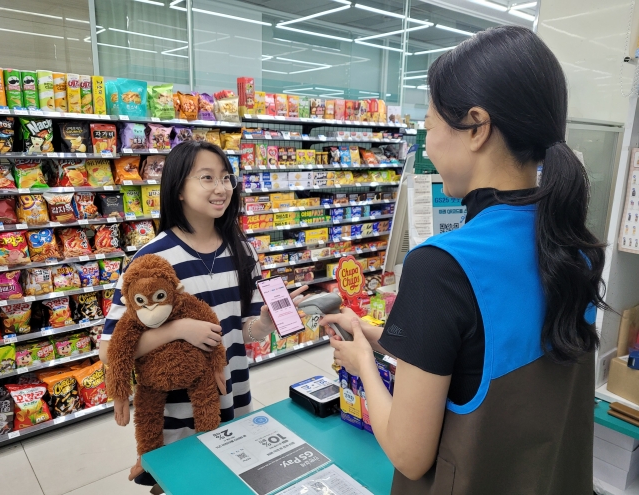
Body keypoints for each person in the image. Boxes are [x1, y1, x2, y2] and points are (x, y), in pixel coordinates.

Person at [321, 26, 608, 495]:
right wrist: (383, 340)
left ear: (476, 127)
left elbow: (410, 457)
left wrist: (362, 363)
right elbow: (482, 360)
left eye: (430, 126)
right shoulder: (574, 247)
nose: (428, 145)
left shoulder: (441, 266)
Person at [99, 141, 306, 486]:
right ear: (178, 188)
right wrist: (178, 330)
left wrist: (264, 325)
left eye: (226, 178)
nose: (221, 188)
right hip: (176, 413)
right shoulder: (154, 259)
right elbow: (110, 349)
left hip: (235, 399)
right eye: (207, 178)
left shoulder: (243, 250)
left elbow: (246, 331)